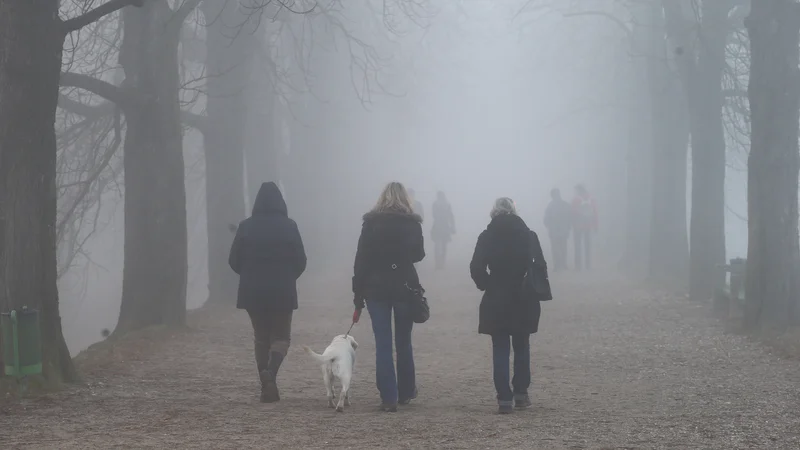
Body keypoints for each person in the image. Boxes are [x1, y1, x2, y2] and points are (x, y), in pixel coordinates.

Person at [229, 182, 307, 403]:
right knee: (281, 337)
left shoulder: (245, 227)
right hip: (282, 290)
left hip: (252, 291)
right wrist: (289, 276)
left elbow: (233, 260)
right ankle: (270, 373)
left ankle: (266, 384)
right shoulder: (290, 226)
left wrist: (248, 274)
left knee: (261, 338)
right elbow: (301, 260)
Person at [352, 181, 425, 412]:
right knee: (404, 341)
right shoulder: (412, 223)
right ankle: (406, 390)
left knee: (383, 343)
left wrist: (358, 294)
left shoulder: (371, 223)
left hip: (376, 289)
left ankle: (389, 396)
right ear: (405, 199)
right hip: (404, 286)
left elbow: (361, 259)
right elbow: (419, 254)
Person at [470, 197, 546, 414]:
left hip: (496, 295)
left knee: (500, 347)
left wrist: (487, 284)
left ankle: (504, 398)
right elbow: (540, 265)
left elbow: (476, 266)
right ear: (514, 211)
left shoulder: (487, 236)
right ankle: (521, 394)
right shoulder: (528, 235)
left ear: (493, 212)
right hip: (524, 295)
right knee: (522, 344)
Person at [543, 188, 572, 271]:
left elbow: (546, 218)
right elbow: (570, 217)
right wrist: (568, 227)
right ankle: (563, 264)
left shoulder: (550, 205)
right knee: (563, 247)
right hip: (563, 230)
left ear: (552, 195)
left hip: (554, 230)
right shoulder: (565, 204)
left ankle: (557, 265)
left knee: (555, 248)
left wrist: (548, 225)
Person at [571, 184, 598, 270]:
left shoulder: (576, 199)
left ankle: (578, 266)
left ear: (578, 190)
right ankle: (588, 265)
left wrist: (571, 224)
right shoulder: (591, 199)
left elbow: (572, 213)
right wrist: (595, 226)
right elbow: (595, 213)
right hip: (588, 225)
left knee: (577, 246)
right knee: (587, 246)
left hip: (578, 226)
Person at [431, 191, 456, 270]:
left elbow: (434, 215)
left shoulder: (436, 204)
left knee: (438, 246)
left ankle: (438, 264)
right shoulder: (446, 204)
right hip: (444, 227)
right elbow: (450, 216)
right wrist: (452, 226)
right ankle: (441, 263)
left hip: (438, 227)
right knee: (443, 246)